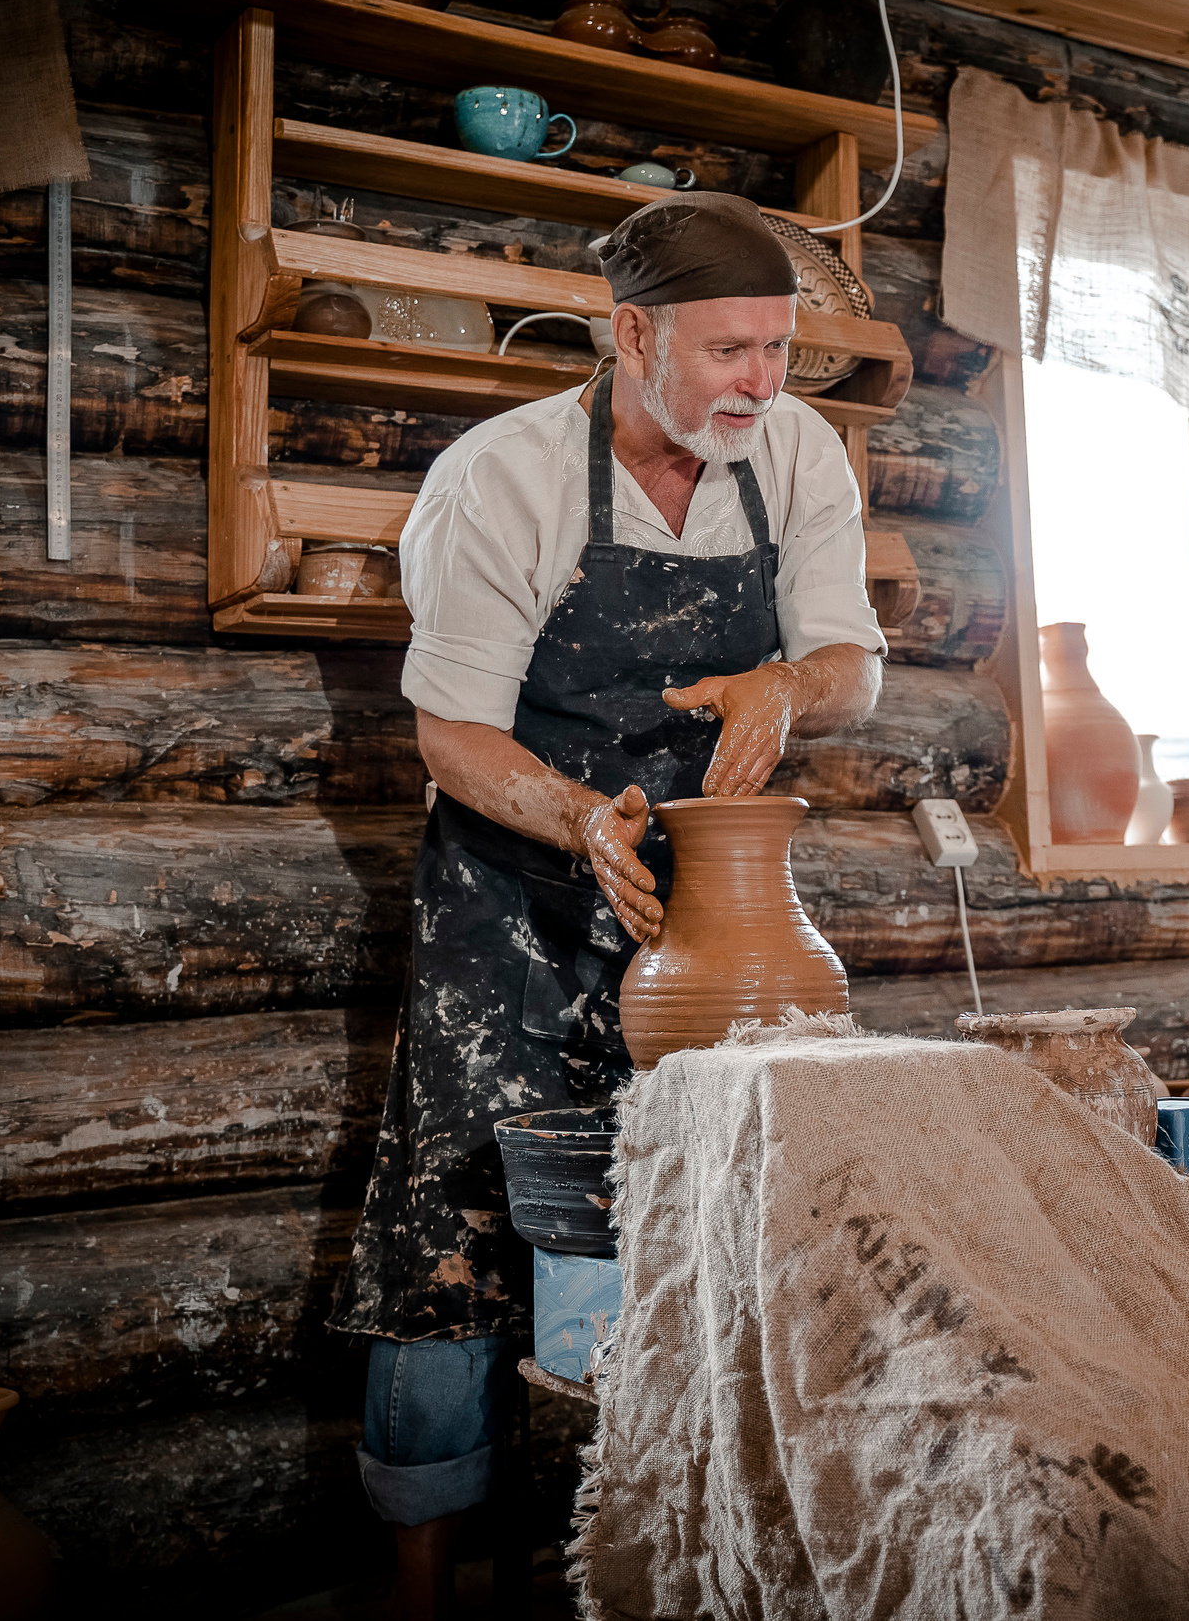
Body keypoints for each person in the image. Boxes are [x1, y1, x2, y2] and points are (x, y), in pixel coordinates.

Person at [327, 192, 885, 1618]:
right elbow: (451, 732)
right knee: (447, 1242)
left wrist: (788, 685)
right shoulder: (501, 477)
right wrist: (580, 817)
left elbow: (850, 657)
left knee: (685, 1221)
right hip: (511, 900)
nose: (764, 382)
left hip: (709, 907)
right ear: (632, 335)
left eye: (778, 348)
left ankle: (649, 1568)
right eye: (730, 352)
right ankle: (423, 1585)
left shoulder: (796, 451)